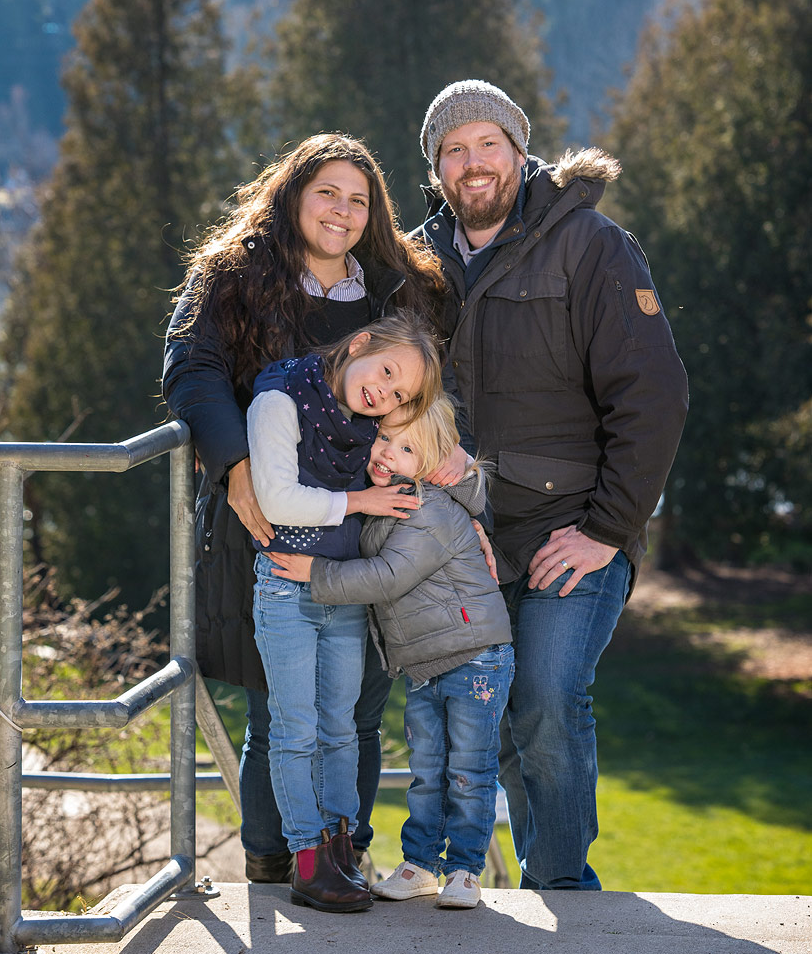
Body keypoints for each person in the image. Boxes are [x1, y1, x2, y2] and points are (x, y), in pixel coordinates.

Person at [162, 133, 465, 885]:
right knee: (279, 708)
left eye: (359, 200)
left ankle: (344, 855)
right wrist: (232, 463)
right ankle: (276, 861)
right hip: (272, 519)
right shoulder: (230, 275)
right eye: (327, 192)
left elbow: (426, 391)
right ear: (293, 193)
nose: (342, 211)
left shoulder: (399, 288)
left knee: (359, 706)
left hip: (371, 531)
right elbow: (191, 369)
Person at [412, 79, 689, 891]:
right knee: (492, 708)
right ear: (435, 168)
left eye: (486, 144)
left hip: (573, 528)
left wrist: (606, 529)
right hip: (467, 540)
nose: (472, 164)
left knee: (544, 697)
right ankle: (540, 883)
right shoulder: (419, 263)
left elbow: (655, 394)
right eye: (452, 150)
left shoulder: (591, 245)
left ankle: (565, 890)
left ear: (518, 149)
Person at [271, 394, 513, 910]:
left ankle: (466, 870)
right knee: (427, 769)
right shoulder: (385, 501)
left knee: (468, 770)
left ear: (430, 465)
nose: (385, 453)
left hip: (475, 659)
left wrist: (315, 574)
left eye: (405, 448)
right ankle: (421, 863)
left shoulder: (427, 510)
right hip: (426, 664)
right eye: (383, 438)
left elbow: (385, 577)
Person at [246, 314, 442, 911]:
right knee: (295, 727)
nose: (385, 393)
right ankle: (307, 858)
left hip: (343, 592)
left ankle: (339, 851)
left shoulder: (371, 427)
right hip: (286, 589)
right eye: (386, 371)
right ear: (360, 344)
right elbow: (278, 498)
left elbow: (431, 453)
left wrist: (463, 509)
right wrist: (360, 500)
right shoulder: (280, 398)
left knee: (342, 728)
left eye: (400, 392)